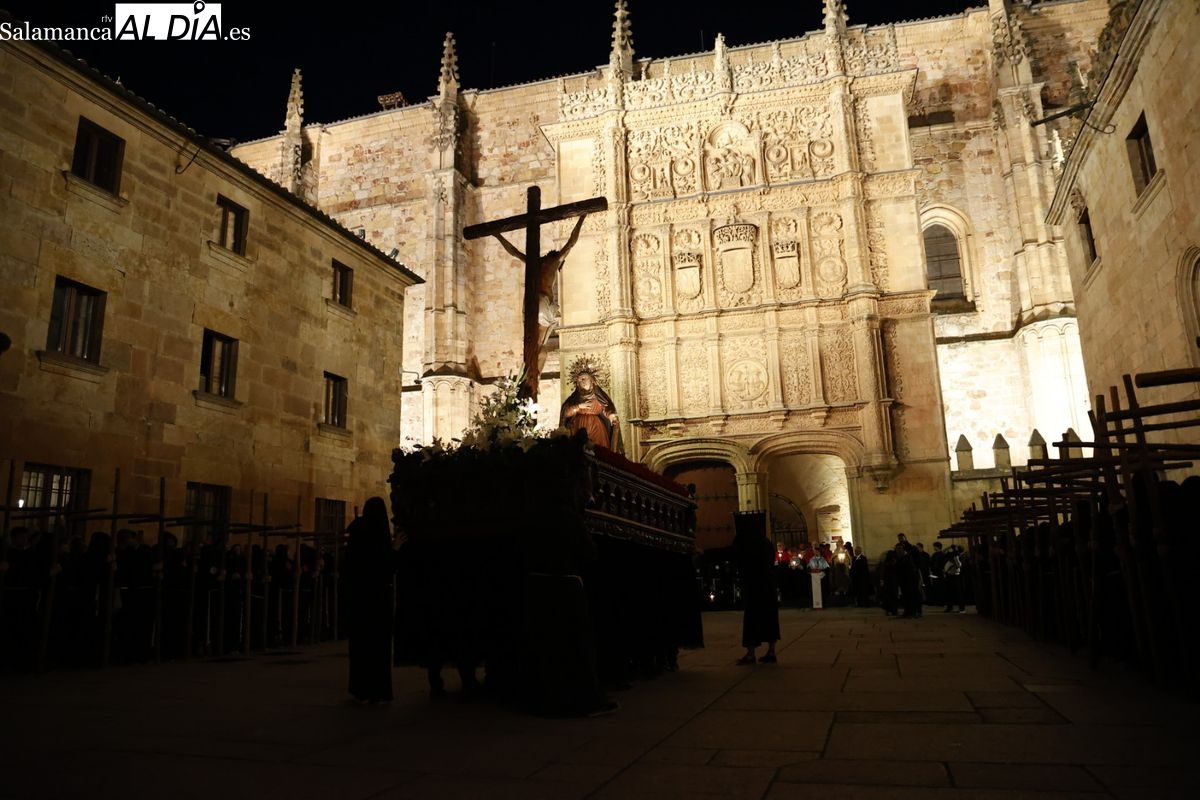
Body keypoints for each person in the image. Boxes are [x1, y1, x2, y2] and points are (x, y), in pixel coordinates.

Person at [493, 215, 586, 386]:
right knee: (538, 345)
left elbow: (513, 251)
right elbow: (572, 242)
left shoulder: (534, 261)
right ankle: (531, 378)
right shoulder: (555, 260)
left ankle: (530, 376)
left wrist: (498, 236)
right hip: (543, 306)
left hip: (535, 302)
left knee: (537, 344)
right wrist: (582, 217)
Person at [344, 497, 396, 704]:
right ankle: (376, 690)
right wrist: (396, 550)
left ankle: (359, 688)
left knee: (359, 647)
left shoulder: (357, 530)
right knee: (377, 647)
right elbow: (384, 566)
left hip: (358, 599)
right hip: (377, 600)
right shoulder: (376, 533)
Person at [721, 512, 780, 665]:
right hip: (768, 585)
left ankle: (750, 654)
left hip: (754, 586)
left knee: (752, 619)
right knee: (770, 617)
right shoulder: (766, 542)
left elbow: (729, 553)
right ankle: (771, 651)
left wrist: (704, 554)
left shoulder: (745, 541)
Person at [560, 356, 621, 452]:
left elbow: (606, 407)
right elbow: (566, 413)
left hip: (596, 428)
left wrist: (611, 416)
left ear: (592, 381)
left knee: (598, 450)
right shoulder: (574, 398)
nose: (582, 381)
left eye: (584, 378)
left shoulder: (598, 396)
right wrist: (578, 406)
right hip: (577, 427)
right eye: (579, 380)